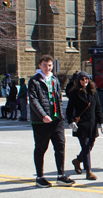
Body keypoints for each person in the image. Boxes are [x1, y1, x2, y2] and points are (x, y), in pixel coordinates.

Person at [28, 55, 75, 188]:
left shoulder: (54, 80)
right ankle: (40, 177)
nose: (47, 68)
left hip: (56, 120)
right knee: (41, 148)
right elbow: (33, 100)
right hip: (41, 122)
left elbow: (59, 98)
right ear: (39, 66)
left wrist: (61, 114)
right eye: (44, 65)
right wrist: (43, 115)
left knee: (60, 147)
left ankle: (61, 175)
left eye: (49, 65)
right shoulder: (34, 81)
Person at [66, 71, 103, 180]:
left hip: (92, 124)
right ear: (78, 80)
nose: (84, 81)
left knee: (90, 145)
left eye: (86, 79)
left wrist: (101, 122)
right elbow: (69, 109)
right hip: (81, 124)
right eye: (82, 79)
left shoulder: (93, 91)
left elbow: (98, 108)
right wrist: (71, 121)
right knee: (85, 147)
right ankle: (88, 171)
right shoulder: (74, 92)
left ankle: (77, 160)